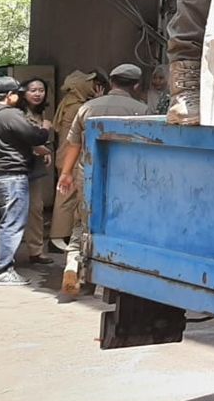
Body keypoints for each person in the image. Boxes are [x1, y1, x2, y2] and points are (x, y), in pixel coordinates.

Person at [57, 64, 148, 296]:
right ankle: (112, 276)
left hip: (87, 173)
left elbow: (74, 145)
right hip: (125, 179)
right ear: (136, 85)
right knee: (118, 226)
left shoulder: (87, 107)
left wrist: (66, 174)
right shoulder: (142, 109)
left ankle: (73, 265)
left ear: (112, 82)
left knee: (83, 222)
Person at [0, 77, 51, 286]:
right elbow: (35, 137)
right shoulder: (9, 115)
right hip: (12, 176)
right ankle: (3, 270)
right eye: (18, 94)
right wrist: (45, 128)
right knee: (11, 224)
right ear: (9, 96)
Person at [49, 70, 102, 251]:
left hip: (66, 155)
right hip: (69, 156)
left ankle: (61, 236)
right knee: (66, 197)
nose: (93, 86)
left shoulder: (71, 101)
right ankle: (57, 237)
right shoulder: (76, 106)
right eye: (90, 83)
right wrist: (97, 101)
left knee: (68, 197)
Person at [16, 78, 54, 266]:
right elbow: (24, 139)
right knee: (12, 210)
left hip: (34, 168)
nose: (38, 94)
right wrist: (41, 147)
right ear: (23, 92)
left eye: (41, 90)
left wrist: (44, 150)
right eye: (33, 90)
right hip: (17, 166)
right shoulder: (17, 113)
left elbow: (40, 141)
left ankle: (36, 251)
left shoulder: (41, 112)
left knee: (36, 209)